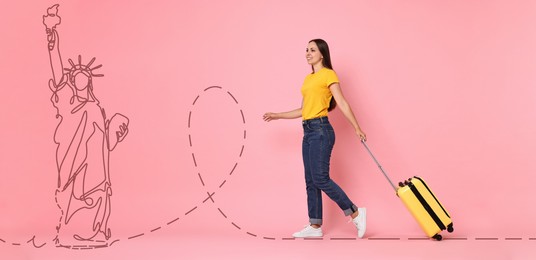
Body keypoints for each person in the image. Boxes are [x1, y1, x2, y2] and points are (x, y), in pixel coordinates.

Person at [263, 39, 367, 238]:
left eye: (312, 50)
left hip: (321, 131)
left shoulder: (329, 74)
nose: (308, 53)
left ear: (322, 54)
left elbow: (342, 102)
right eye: (306, 50)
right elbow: (303, 110)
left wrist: (357, 128)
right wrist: (277, 115)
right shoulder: (308, 79)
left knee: (320, 178)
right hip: (308, 131)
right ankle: (315, 226)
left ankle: (355, 212)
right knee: (310, 180)